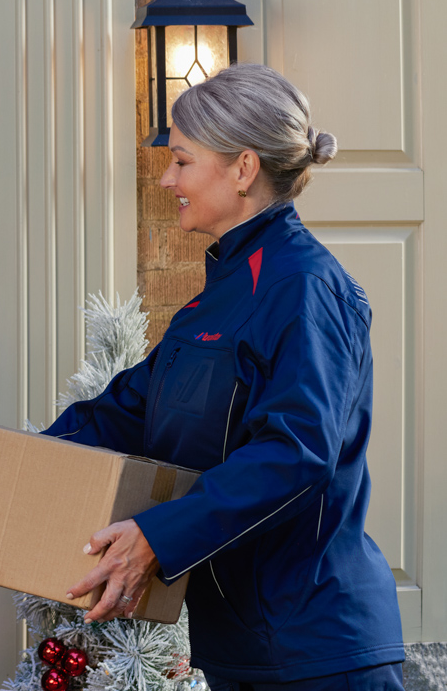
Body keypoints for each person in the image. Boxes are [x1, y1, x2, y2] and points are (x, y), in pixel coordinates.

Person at [45, 62, 404, 691]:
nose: (166, 179)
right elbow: (125, 413)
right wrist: (18, 464)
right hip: (243, 650)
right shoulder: (210, 304)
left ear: (243, 169)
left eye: (182, 161)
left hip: (316, 651)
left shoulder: (305, 287)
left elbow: (296, 454)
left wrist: (158, 535)